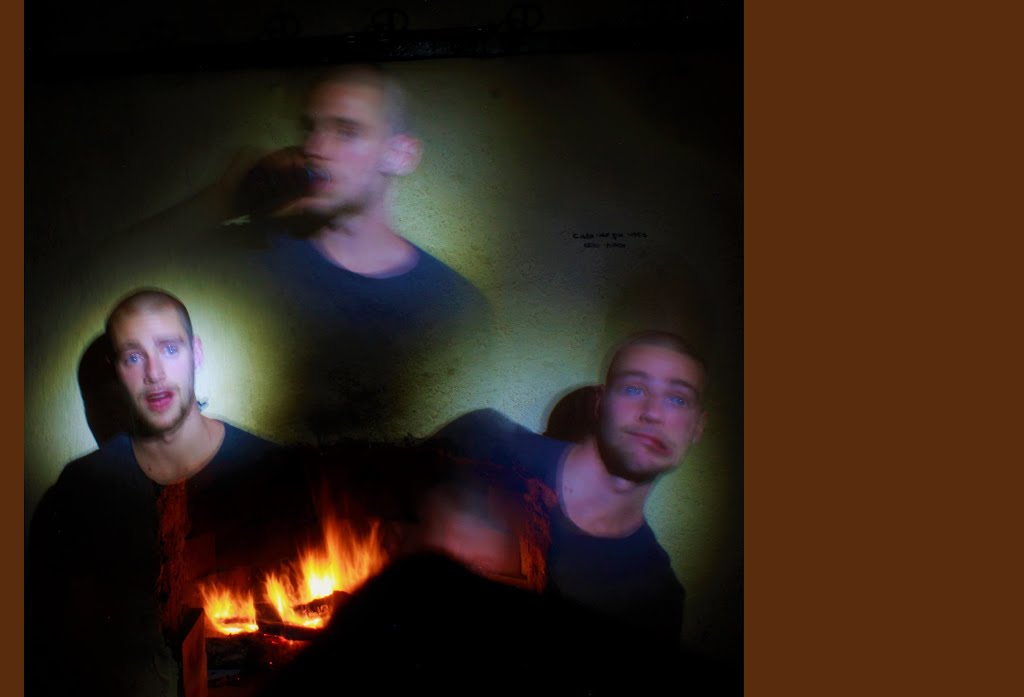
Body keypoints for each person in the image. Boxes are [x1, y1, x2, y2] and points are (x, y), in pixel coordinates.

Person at [26, 288, 315, 697]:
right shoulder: (80, 492)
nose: (154, 374)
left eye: (169, 348)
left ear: (196, 353)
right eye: (133, 357)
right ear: (116, 371)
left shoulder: (272, 471)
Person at [233, 64, 491, 442]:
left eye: (346, 131)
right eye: (310, 129)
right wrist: (227, 197)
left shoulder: (456, 306)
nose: (315, 149)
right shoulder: (251, 258)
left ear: (401, 155)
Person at [418, 331, 709, 648]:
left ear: (697, 427)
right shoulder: (482, 443)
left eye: (678, 399)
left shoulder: (657, 596)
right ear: (600, 403)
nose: (653, 413)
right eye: (634, 389)